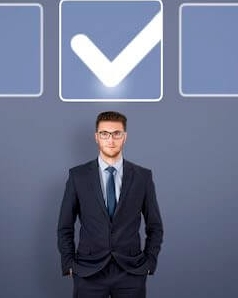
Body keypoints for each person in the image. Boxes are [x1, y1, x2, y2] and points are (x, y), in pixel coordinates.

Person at [57, 111, 163, 298]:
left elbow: (155, 226)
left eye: (116, 133)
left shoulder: (143, 177)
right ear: (96, 137)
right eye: (105, 134)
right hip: (88, 272)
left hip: (131, 272)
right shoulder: (78, 176)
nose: (111, 140)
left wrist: (149, 263)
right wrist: (69, 264)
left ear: (125, 137)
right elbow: (65, 226)